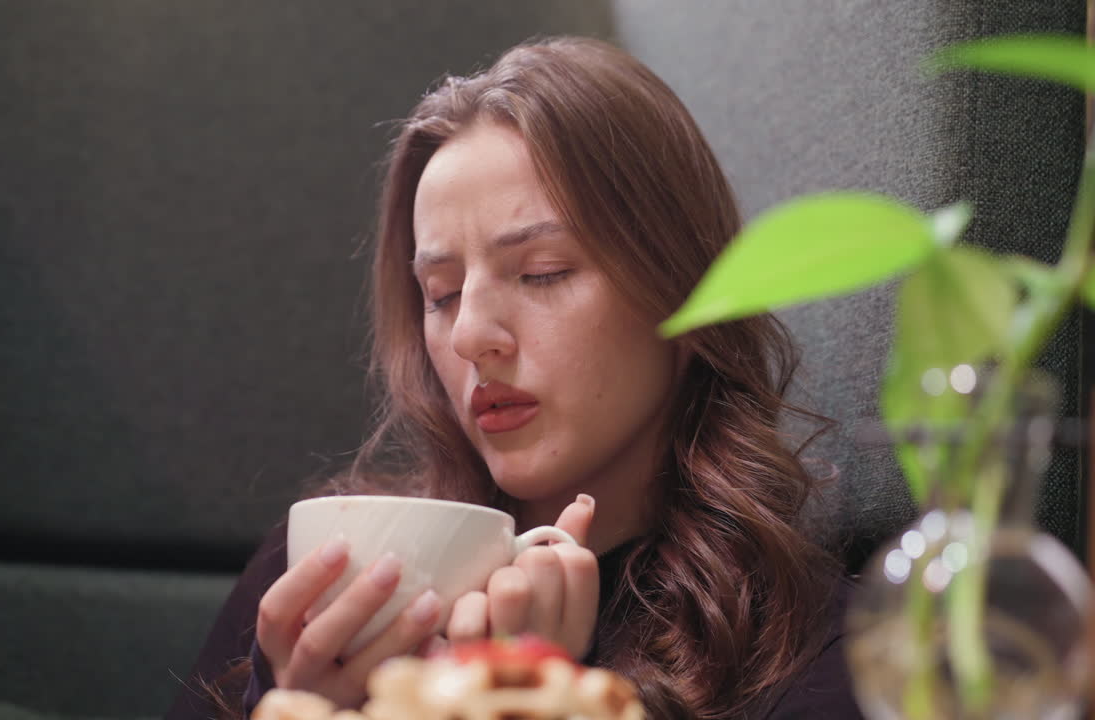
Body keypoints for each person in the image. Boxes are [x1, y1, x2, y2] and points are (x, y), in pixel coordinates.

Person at [168, 36, 862, 720]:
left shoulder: (819, 654)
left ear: (682, 289)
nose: (470, 335)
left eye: (543, 273)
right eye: (440, 294)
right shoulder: (321, 582)